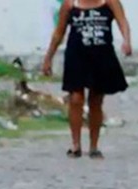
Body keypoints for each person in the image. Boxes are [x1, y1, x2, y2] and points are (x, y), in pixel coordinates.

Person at [42, 0, 131, 158]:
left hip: (101, 57)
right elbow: (59, 32)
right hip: (77, 56)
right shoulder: (70, 5)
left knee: (96, 101)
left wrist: (126, 41)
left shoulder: (110, 3)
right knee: (76, 98)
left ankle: (94, 146)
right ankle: (76, 145)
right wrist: (49, 57)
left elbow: (122, 21)